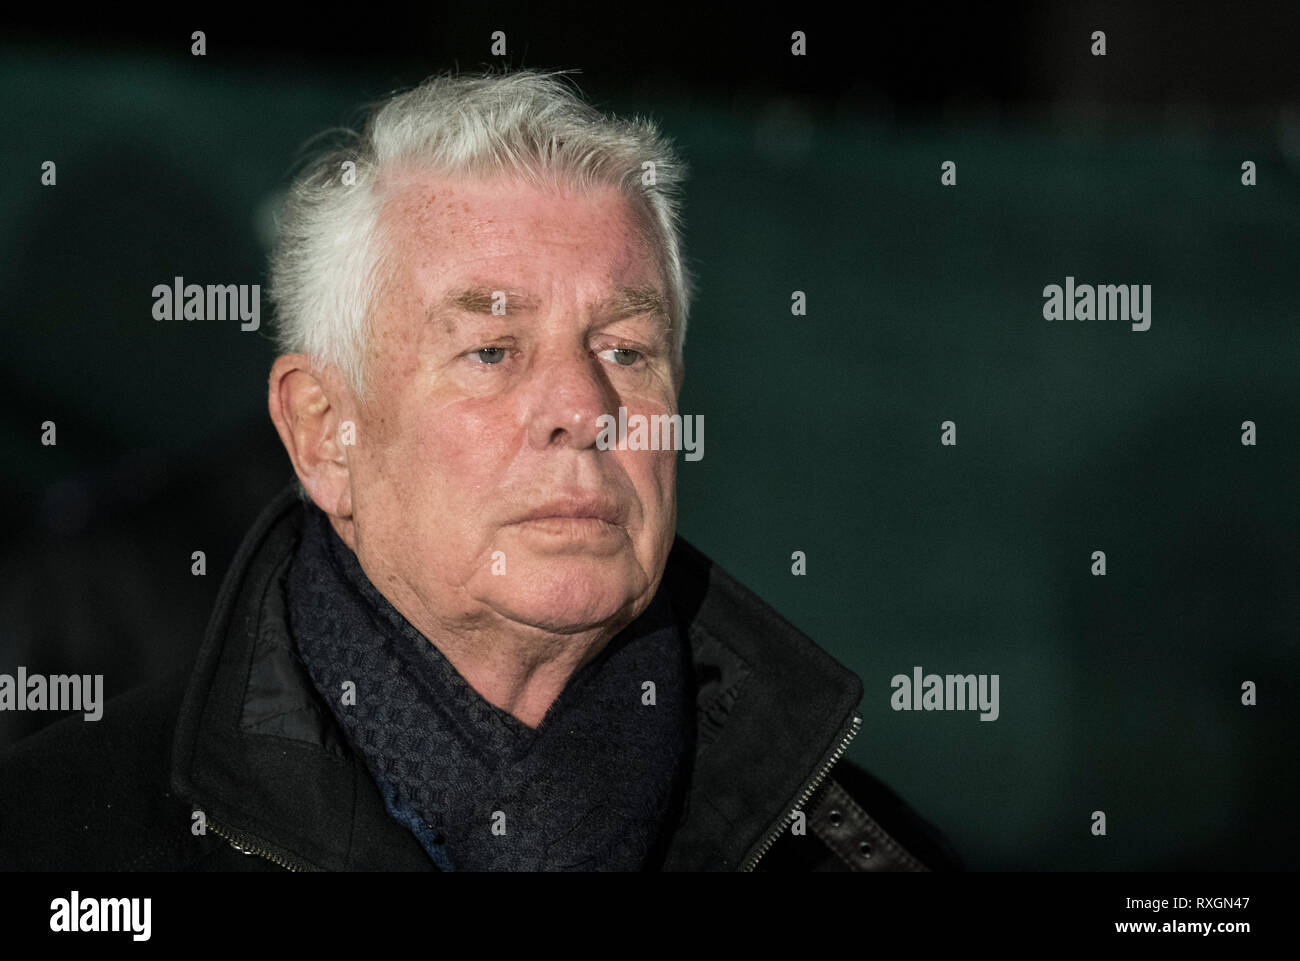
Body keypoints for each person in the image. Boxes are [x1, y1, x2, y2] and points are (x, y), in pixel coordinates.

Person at [0, 69, 960, 872]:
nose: (585, 410)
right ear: (324, 431)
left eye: (626, 350)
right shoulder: (64, 842)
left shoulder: (861, 853)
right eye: (493, 350)